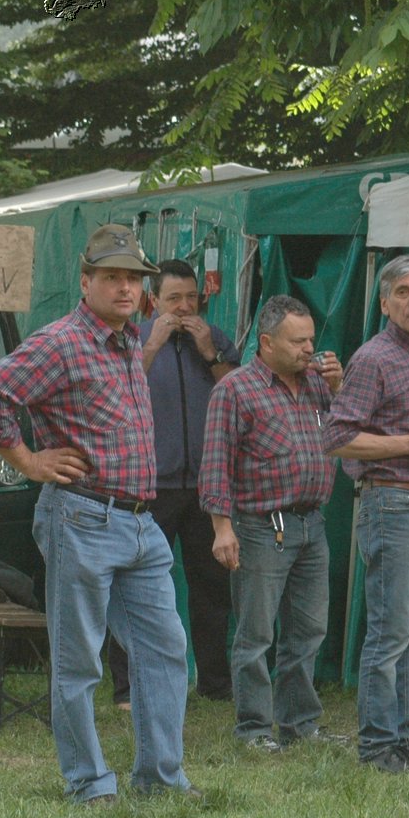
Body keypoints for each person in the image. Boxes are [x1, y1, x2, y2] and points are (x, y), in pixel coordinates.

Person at [0, 224, 196, 805]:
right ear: (86, 280)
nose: (124, 288)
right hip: (83, 516)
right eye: (112, 277)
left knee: (166, 650)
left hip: (143, 523)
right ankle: (89, 783)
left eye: (133, 279)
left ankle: (160, 779)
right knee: (79, 660)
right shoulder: (61, 342)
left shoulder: (127, 340)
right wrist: (28, 461)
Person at [324, 255, 409, 773]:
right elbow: (337, 438)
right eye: (402, 291)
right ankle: (378, 746)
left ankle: (405, 739)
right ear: (384, 303)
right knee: (389, 632)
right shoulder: (373, 357)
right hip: (390, 501)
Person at [199, 294, 347, 752]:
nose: (309, 349)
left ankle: (300, 723)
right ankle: (254, 729)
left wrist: (340, 388)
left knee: (308, 632)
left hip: (311, 523)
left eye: (311, 339)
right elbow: (215, 465)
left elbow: (348, 432)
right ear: (265, 342)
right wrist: (222, 529)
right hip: (261, 526)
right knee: (257, 634)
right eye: (297, 341)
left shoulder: (319, 385)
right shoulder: (235, 390)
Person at [107, 260, 241, 710]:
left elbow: (241, 396)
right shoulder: (133, 339)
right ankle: (128, 689)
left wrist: (211, 353)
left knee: (212, 589)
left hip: (206, 486)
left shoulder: (214, 340)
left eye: (191, 299)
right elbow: (120, 393)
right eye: (173, 300)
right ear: (153, 302)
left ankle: (216, 683)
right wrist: (154, 343)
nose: (184, 308)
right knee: (137, 587)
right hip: (149, 486)